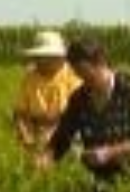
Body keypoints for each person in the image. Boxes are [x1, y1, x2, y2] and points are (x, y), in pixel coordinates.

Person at [37, 38, 130, 192]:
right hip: (107, 176)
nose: (84, 80)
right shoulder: (79, 99)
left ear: (101, 63)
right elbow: (62, 137)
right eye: (78, 75)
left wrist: (110, 152)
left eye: (86, 74)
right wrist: (47, 156)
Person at [11, 29, 81, 158]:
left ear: (59, 57)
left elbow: (79, 113)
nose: (40, 62)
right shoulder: (30, 78)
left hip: (67, 129)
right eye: (39, 58)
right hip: (36, 129)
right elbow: (20, 112)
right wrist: (24, 133)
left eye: (46, 58)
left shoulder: (72, 75)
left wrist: (53, 131)